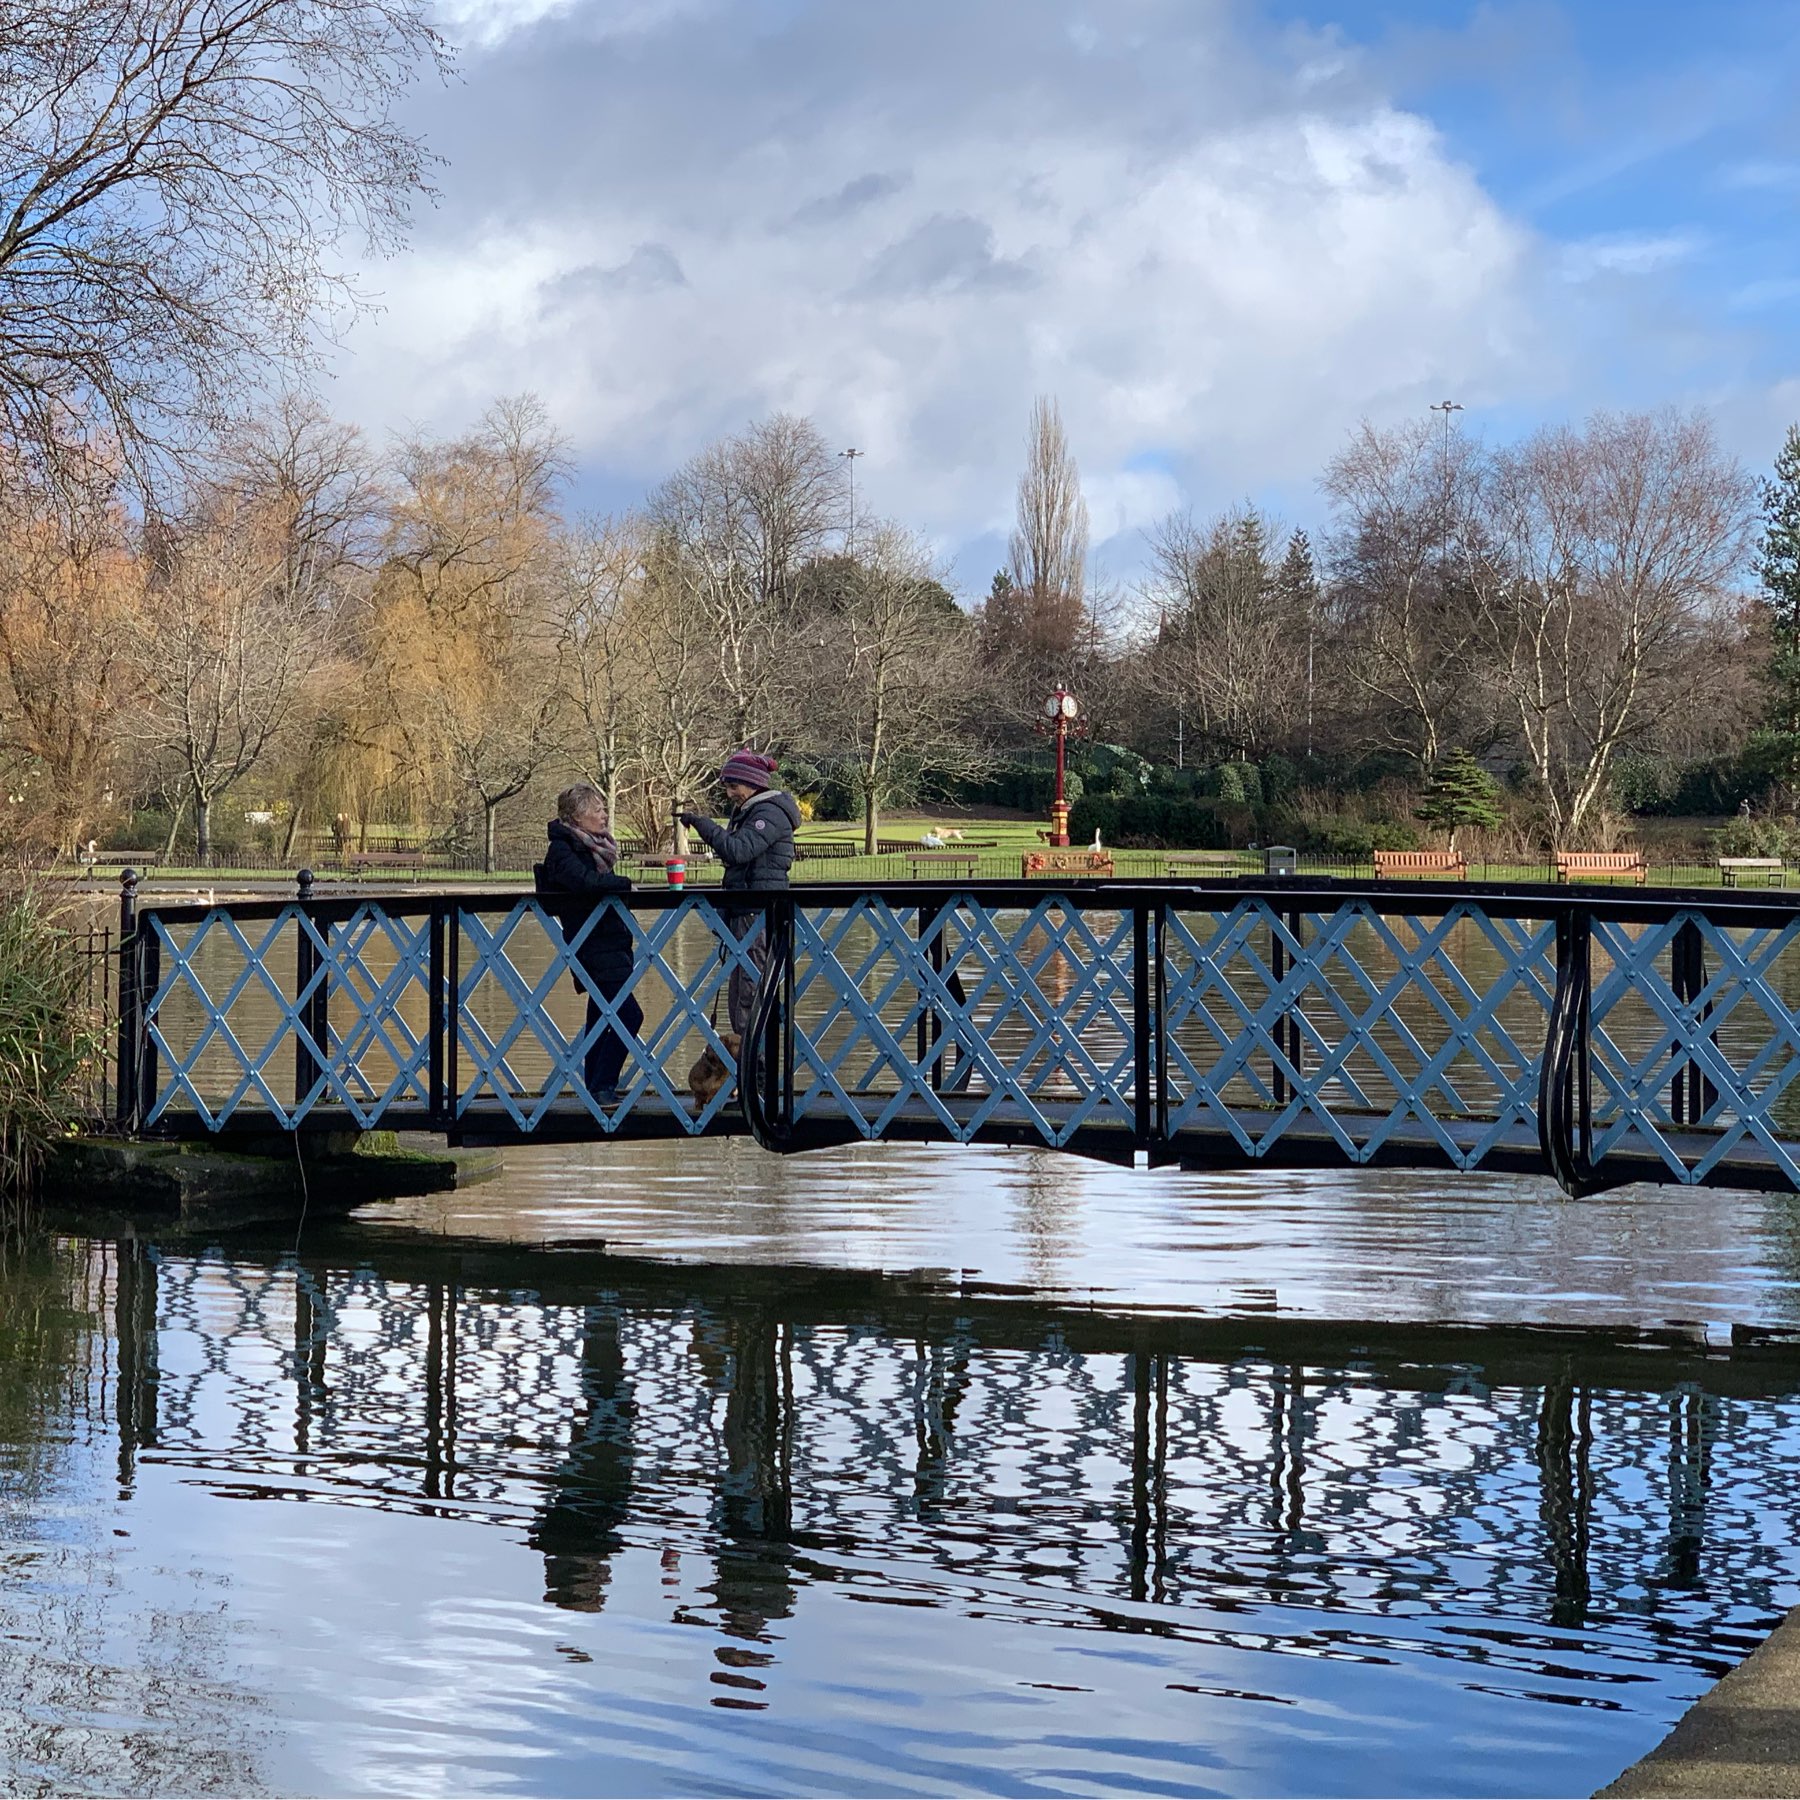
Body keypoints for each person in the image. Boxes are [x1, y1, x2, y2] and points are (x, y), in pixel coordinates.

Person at [679, 749, 801, 1040]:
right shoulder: (751, 812)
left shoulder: (768, 813)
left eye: (734, 785)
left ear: (753, 784)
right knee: (741, 992)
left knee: (750, 990)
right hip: (745, 910)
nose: (730, 793)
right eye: (727, 786)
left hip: (756, 912)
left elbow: (739, 850)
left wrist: (703, 825)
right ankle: (747, 1067)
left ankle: (755, 1069)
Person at [535, 784, 641, 1106]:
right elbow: (583, 884)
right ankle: (602, 1085)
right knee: (629, 1015)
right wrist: (623, 884)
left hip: (609, 940)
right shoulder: (563, 850)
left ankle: (596, 1087)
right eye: (597, 810)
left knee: (601, 1017)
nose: (604, 816)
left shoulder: (592, 847)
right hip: (590, 943)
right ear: (578, 817)